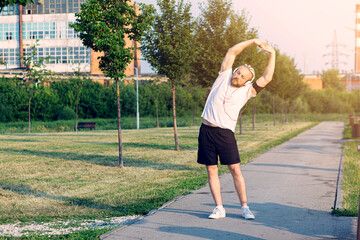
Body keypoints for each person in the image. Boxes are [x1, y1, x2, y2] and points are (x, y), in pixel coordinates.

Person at [197, 39, 276, 220]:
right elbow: (232, 51)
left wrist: (272, 54)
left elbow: (267, 78)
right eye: (238, 72)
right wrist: (253, 41)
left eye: (243, 76)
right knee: (211, 170)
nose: (238, 76)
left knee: (234, 169)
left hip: (225, 134)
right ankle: (219, 208)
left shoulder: (248, 91)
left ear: (247, 81)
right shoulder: (223, 76)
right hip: (206, 130)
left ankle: (244, 208)